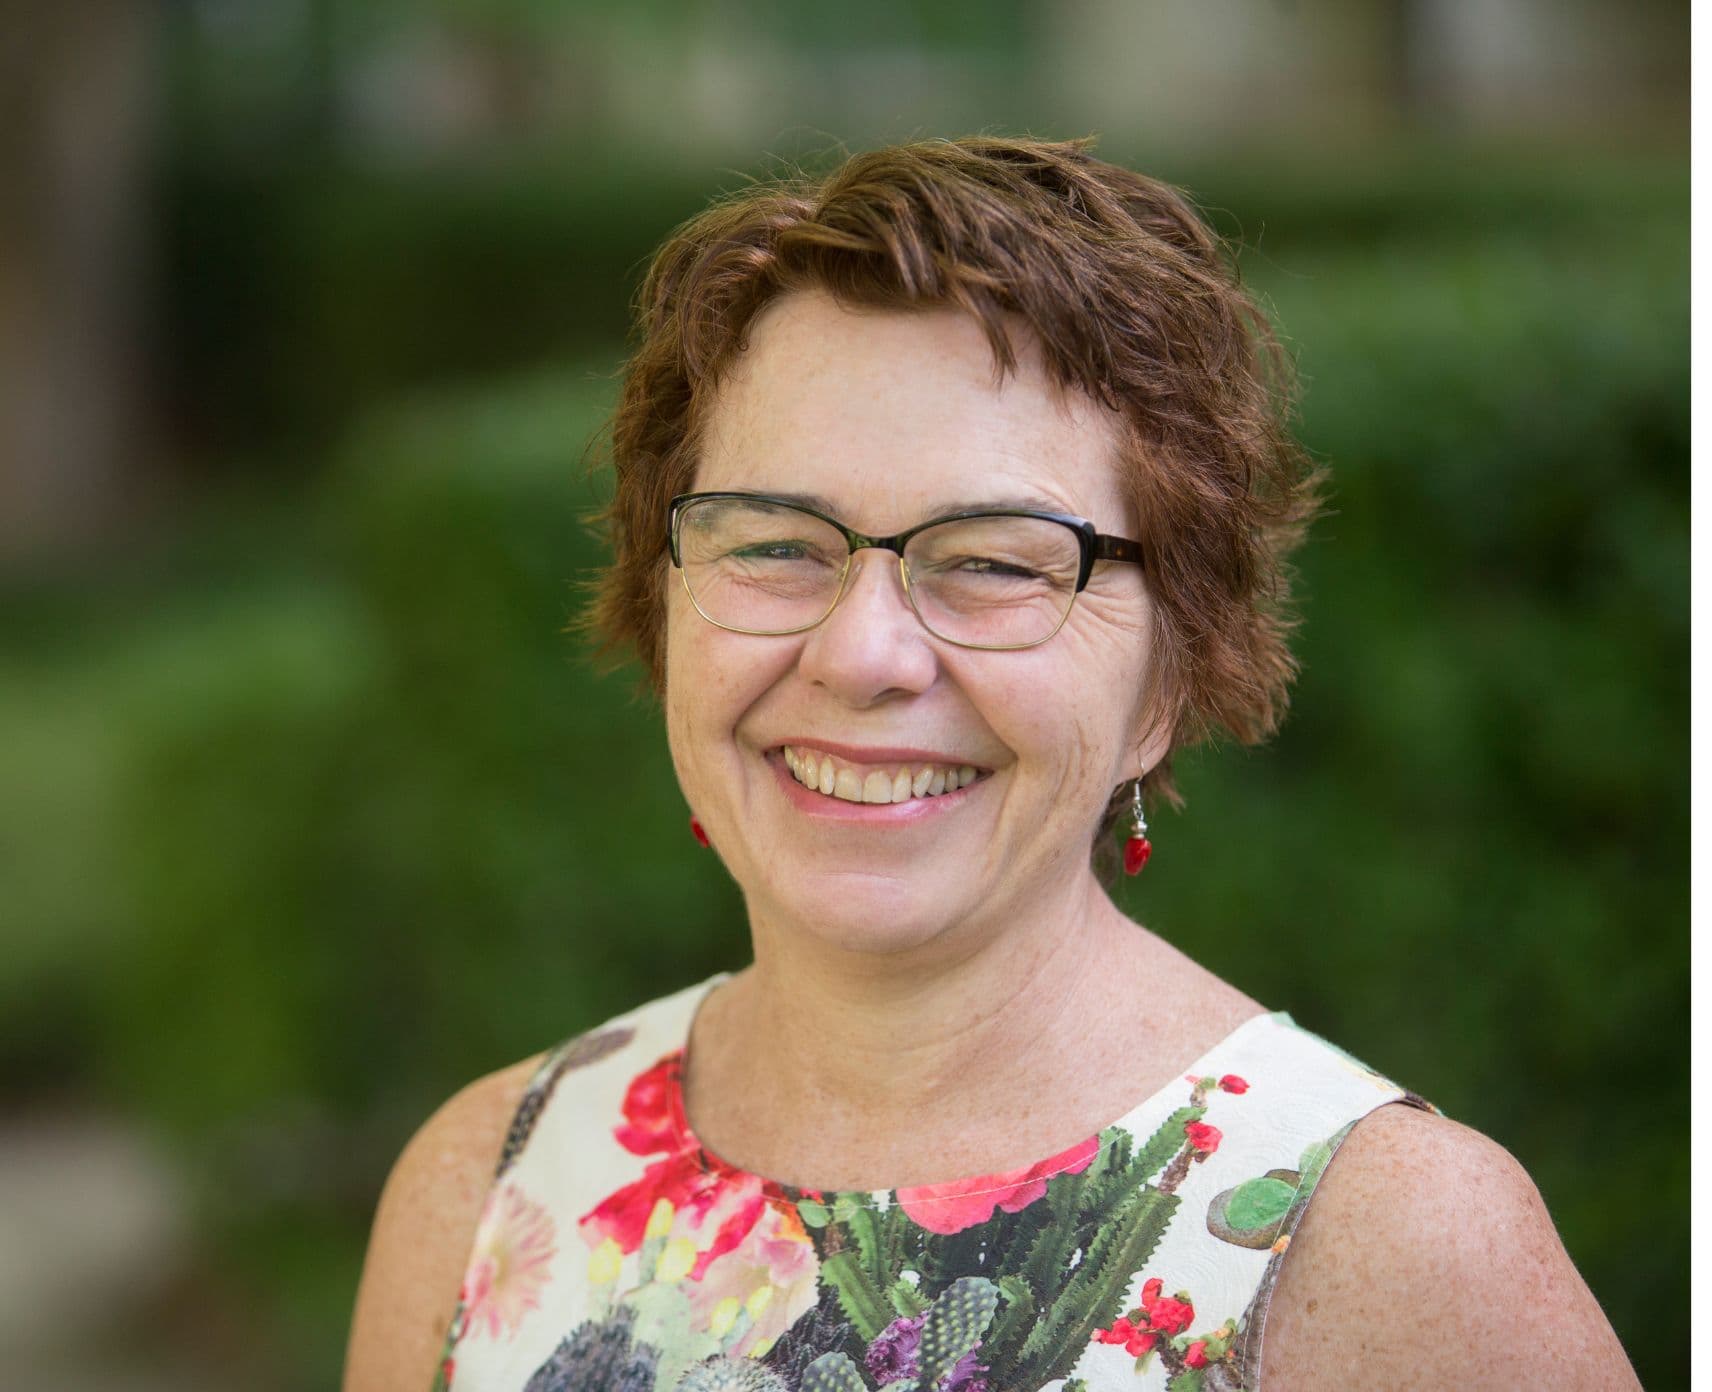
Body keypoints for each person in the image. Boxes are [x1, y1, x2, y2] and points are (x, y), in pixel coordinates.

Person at [343, 136, 1639, 1391]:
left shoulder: (1390, 1245)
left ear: (1171, 676)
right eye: (776, 544)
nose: (862, 654)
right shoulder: (485, 1188)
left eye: (998, 561)